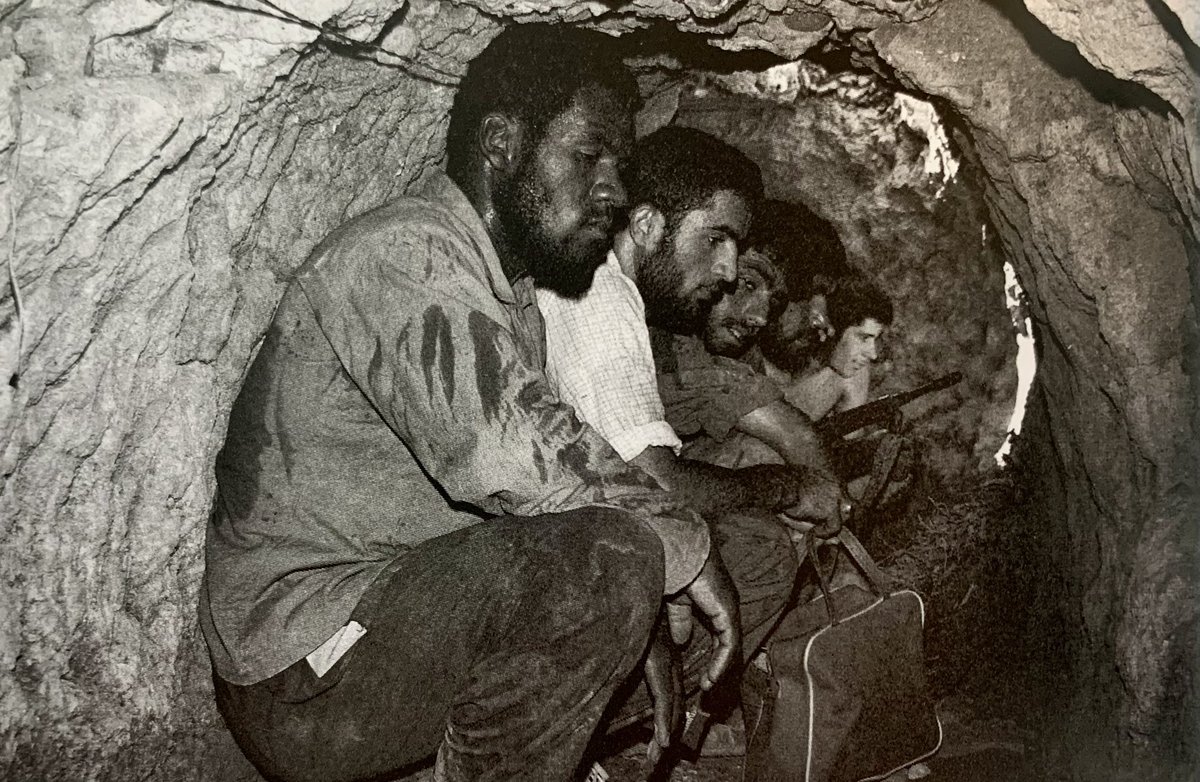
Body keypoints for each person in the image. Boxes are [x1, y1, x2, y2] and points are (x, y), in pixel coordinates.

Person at [200, 26, 742, 782]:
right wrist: (680, 549)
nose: (615, 192)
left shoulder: (508, 295)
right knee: (611, 558)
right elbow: (514, 455)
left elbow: (545, 493)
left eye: (622, 165)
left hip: (385, 613)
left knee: (615, 565)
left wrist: (634, 623)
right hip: (303, 668)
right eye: (590, 158)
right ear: (500, 145)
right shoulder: (405, 254)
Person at [538, 127, 842, 521]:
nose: (728, 271)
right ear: (646, 225)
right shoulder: (599, 299)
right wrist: (787, 488)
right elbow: (654, 489)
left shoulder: (619, 292)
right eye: (715, 239)